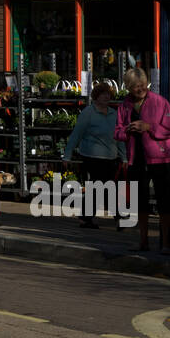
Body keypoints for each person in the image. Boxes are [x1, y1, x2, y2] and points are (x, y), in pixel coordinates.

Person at [115, 67, 170, 253]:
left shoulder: (160, 102)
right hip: (136, 159)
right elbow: (117, 131)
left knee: (164, 202)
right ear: (128, 87)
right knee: (140, 201)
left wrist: (149, 127)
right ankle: (143, 241)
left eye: (142, 85)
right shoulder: (124, 105)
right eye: (135, 86)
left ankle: (165, 243)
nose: (140, 89)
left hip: (159, 158)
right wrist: (127, 131)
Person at [63, 81, 124, 228]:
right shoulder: (88, 113)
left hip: (111, 156)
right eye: (102, 94)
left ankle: (85, 217)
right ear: (96, 96)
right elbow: (76, 135)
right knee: (102, 186)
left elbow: (120, 137)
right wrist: (67, 155)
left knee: (102, 187)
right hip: (92, 156)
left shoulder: (114, 114)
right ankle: (118, 216)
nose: (106, 97)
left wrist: (125, 156)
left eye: (108, 94)